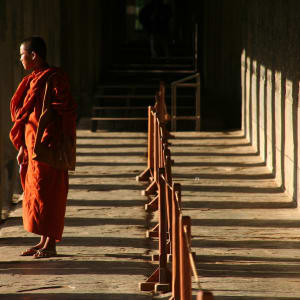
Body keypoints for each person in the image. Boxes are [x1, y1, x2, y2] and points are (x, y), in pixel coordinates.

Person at [9, 36, 77, 258]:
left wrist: (52, 140)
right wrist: (22, 146)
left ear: (34, 55)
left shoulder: (54, 79)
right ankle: (42, 241)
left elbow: (65, 112)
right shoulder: (32, 80)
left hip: (48, 146)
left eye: (22, 54)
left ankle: (51, 245)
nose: (20, 58)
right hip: (31, 147)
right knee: (35, 194)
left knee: (49, 194)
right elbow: (26, 115)